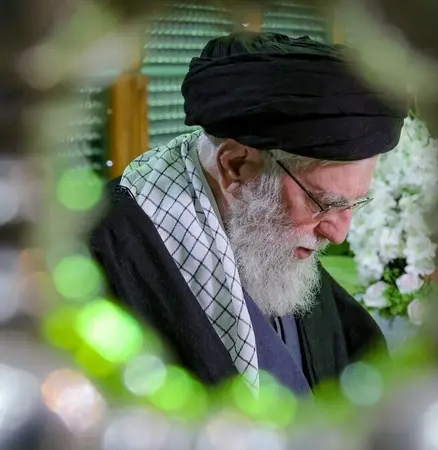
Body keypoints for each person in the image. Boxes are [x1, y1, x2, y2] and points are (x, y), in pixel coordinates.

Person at [89, 31, 407, 395]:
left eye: (352, 204)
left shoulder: (272, 238)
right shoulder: (100, 254)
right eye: (324, 203)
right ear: (236, 166)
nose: (338, 234)